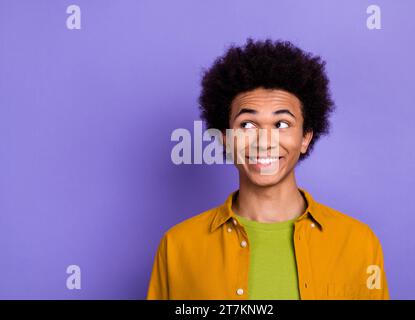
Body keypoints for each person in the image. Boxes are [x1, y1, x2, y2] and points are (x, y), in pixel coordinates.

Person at [147, 38, 389, 300]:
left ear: (305, 137)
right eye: (248, 125)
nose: (264, 141)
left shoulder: (359, 243)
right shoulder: (177, 246)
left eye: (282, 124)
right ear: (226, 138)